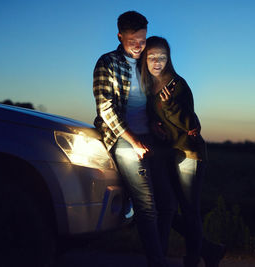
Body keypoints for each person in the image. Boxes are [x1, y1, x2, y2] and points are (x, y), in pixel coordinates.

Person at [140, 36, 225, 267]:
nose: (157, 62)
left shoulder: (177, 85)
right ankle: (209, 250)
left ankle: (192, 260)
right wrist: (153, 125)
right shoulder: (147, 88)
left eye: (162, 57)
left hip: (188, 155)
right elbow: (155, 120)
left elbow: (192, 125)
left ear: (169, 59)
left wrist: (170, 107)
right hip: (168, 155)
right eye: (152, 57)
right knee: (164, 208)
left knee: (189, 210)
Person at [92, 12, 168, 267]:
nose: (139, 46)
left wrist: (156, 122)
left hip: (148, 136)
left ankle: (203, 247)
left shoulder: (144, 64)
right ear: (120, 36)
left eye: (143, 40)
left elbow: (149, 103)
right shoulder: (108, 63)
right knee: (146, 204)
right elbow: (106, 109)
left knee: (166, 199)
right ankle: (158, 263)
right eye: (133, 40)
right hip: (122, 139)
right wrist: (133, 141)